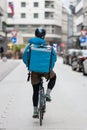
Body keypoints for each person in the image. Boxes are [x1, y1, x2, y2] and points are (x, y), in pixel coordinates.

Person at [22, 27, 57, 118]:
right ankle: (48, 94)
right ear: (44, 36)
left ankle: (35, 111)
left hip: (34, 71)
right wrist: (50, 68)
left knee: (35, 91)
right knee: (54, 77)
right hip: (46, 70)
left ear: (35, 35)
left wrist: (29, 66)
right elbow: (54, 58)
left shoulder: (30, 46)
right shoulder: (48, 47)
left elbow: (24, 58)